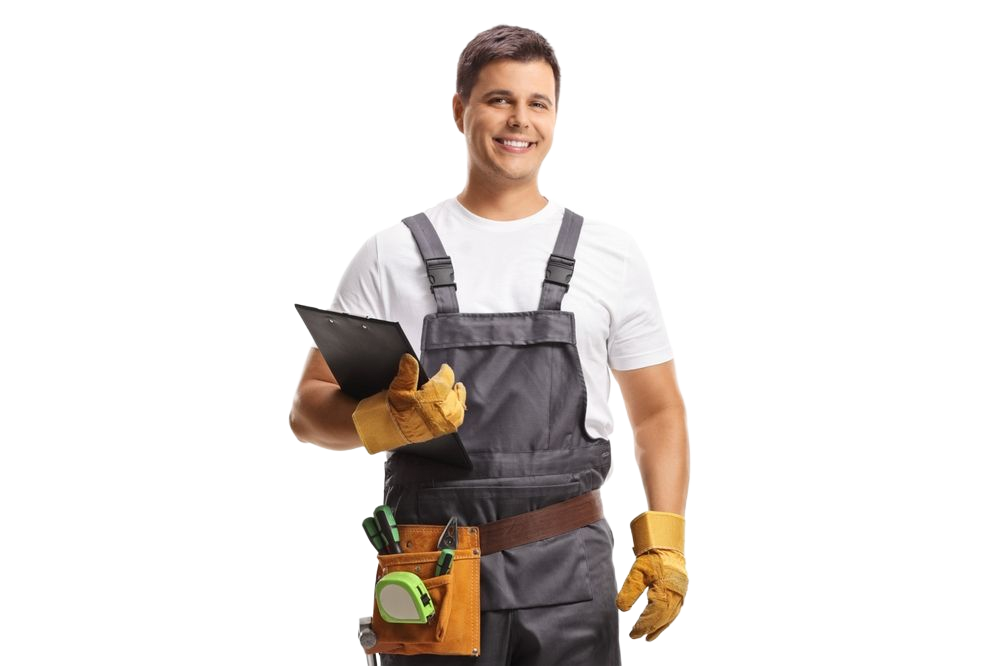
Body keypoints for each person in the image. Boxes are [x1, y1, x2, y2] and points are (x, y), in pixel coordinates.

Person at [287, 22, 691, 665]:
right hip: (432, 572)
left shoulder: (610, 249)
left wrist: (666, 537)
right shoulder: (389, 254)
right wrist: (383, 419)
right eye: (499, 99)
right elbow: (308, 412)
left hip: (567, 564)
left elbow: (657, 409)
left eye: (538, 103)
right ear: (459, 109)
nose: (519, 120)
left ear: (557, 116)